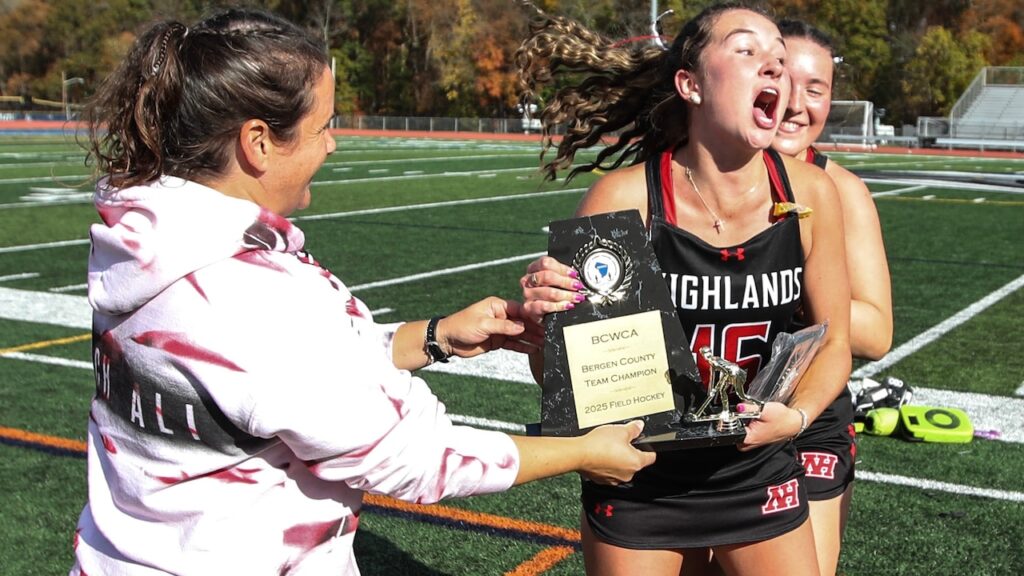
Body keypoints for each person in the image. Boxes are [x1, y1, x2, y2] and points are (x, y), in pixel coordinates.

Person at [71, 9, 655, 575]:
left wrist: (435, 338)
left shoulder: (152, 240)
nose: (331, 145)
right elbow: (417, 459)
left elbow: (277, 380)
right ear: (258, 142)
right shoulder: (246, 295)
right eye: (323, 126)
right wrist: (584, 449)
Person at [515, 2, 852, 575]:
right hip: (645, 474)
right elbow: (570, 382)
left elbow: (835, 343)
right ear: (690, 84)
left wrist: (793, 420)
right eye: (747, 51)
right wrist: (545, 324)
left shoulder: (813, 194)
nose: (774, 68)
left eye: (778, 58)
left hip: (758, 464)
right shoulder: (625, 199)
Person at [772, 19, 893, 576]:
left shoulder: (841, 190)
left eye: (814, 89)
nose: (797, 104)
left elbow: (874, 331)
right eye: (781, 80)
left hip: (810, 411)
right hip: (705, 411)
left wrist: (784, 281)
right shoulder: (697, 176)